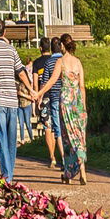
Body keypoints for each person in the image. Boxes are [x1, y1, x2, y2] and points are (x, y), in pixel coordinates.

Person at [0, 19, 34, 184]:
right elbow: (21, 72)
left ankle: (7, 174)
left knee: (2, 138)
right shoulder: (12, 50)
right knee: (11, 139)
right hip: (12, 100)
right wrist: (31, 89)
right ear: (4, 32)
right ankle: (8, 174)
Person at [35, 33, 87, 185]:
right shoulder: (78, 62)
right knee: (78, 136)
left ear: (62, 46)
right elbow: (82, 86)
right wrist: (83, 106)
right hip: (77, 101)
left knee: (67, 137)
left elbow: (51, 81)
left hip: (65, 100)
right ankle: (82, 171)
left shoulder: (60, 61)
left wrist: (39, 93)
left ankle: (68, 172)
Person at [39, 37, 65, 169]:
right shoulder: (66, 60)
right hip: (66, 98)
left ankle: (63, 159)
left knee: (57, 129)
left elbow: (44, 82)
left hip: (54, 98)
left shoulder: (49, 62)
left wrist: (39, 96)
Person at [17, 55, 35, 144]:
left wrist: (22, 94)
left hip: (27, 105)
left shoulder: (29, 84)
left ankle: (32, 139)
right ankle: (22, 139)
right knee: (20, 123)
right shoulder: (18, 83)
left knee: (28, 123)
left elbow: (31, 97)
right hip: (19, 106)